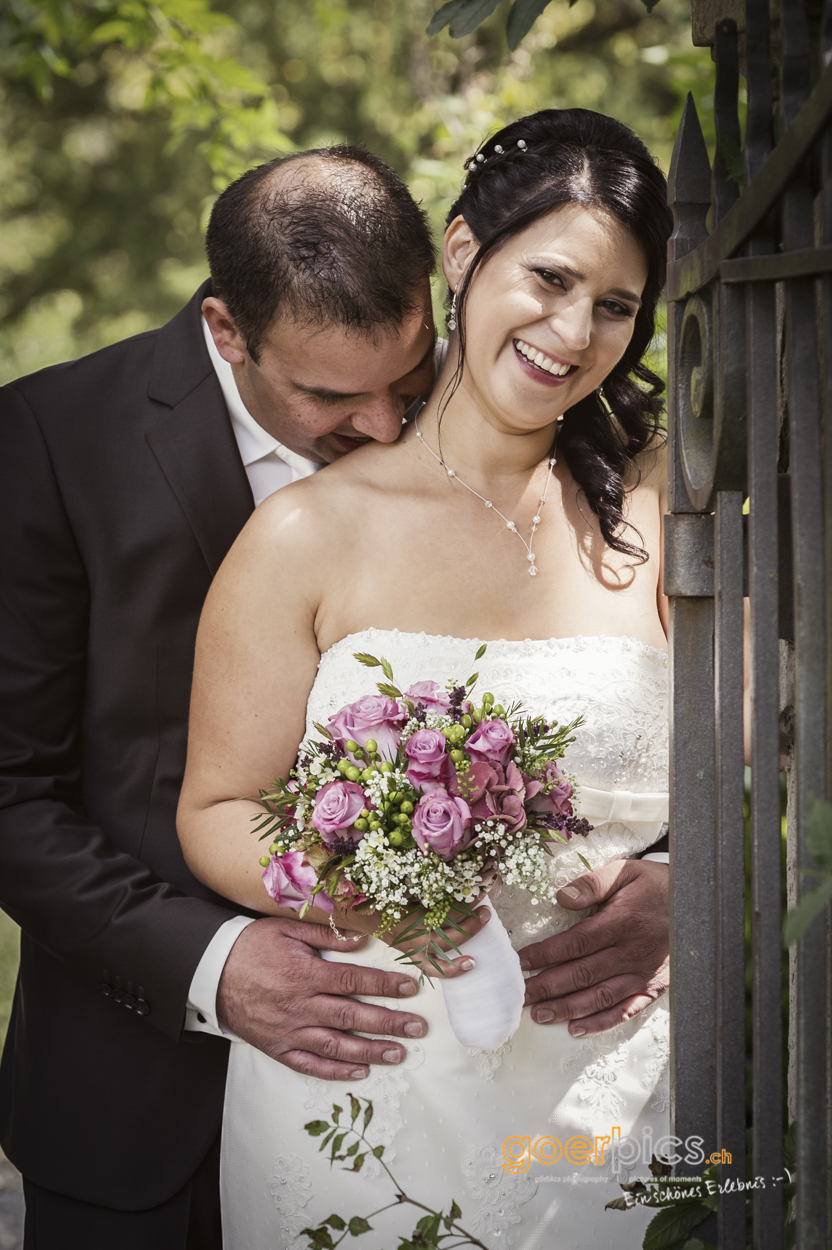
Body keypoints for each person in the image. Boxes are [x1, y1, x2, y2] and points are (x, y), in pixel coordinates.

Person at [177, 108, 674, 1249]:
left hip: (616, 1085)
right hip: (369, 1073)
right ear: (461, 254)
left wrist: (685, 892)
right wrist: (361, 876)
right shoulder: (305, 532)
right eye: (547, 277)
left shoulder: (661, 518)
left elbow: (772, 774)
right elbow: (214, 810)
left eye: (614, 305)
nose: (571, 329)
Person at [0, 146, 443, 1249]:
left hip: (432, 1098)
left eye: (411, 376)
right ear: (226, 328)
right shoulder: (49, 443)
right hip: (138, 1103)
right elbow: (8, 793)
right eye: (333, 394)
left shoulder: (477, 429)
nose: (388, 427)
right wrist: (213, 963)